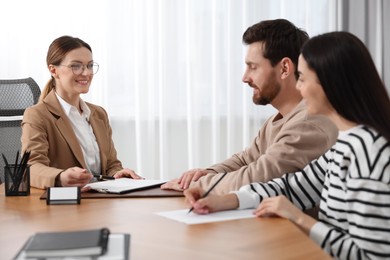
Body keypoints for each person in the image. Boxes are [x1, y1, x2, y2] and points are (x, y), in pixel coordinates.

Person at [184, 31, 390, 259]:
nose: (298, 88)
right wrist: (226, 200)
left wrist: (298, 218)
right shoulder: (346, 144)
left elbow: (372, 255)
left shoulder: (368, 154)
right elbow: (293, 187)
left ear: (331, 83)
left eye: (302, 78)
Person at [162, 19, 338, 194]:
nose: (245, 78)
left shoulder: (309, 123)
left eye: (253, 67)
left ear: (284, 68)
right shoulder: (277, 121)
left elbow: (258, 177)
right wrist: (209, 173)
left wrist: (197, 184)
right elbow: (246, 159)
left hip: (295, 222)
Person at [21, 36, 142, 189]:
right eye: (76, 66)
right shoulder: (38, 115)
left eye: (90, 65)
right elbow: (30, 168)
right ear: (53, 70)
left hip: (101, 202)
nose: (86, 73)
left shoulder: (98, 114)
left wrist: (118, 173)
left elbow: (111, 164)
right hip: (66, 205)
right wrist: (60, 177)